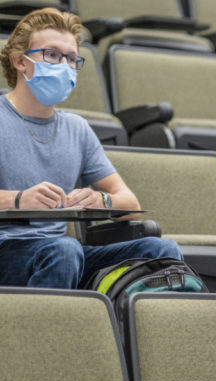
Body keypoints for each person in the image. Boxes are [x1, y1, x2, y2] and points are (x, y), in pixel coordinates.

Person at [0, 8, 182, 289]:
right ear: (19, 62)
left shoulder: (77, 128)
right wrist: (18, 199)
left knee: (163, 252)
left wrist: (101, 201)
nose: (63, 65)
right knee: (64, 250)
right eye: (51, 55)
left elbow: (130, 205)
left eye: (71, 58)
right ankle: (43, 332)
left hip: (61, 256)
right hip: (10, 252)